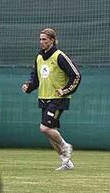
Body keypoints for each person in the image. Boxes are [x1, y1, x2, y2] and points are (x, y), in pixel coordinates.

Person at [22, 28, 81, 171]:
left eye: (45, 39)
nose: (42, 42)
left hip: (58, 98)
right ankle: (66, 162)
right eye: (40, 39)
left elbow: (76, 75)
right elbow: (35, 78)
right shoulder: (39, 57)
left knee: (44, 128)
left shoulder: (59, 56)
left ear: (52, 40)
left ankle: (66, 146)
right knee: (51, 133)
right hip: (44, 98)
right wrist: (28, 86)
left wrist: (65, 90)